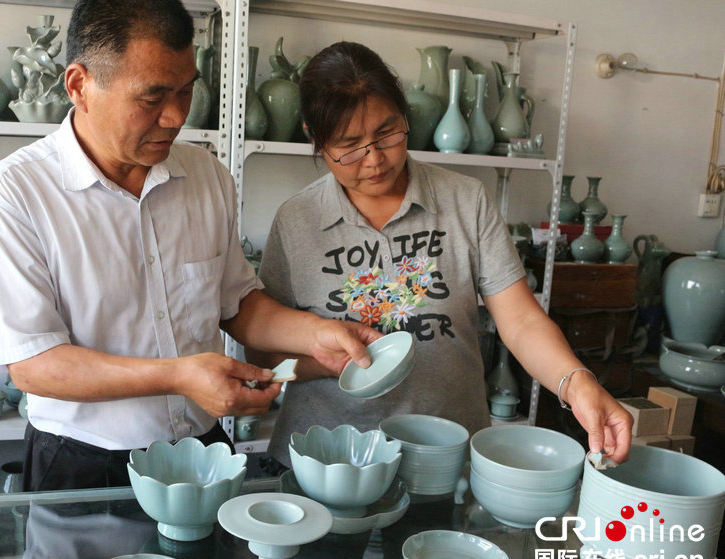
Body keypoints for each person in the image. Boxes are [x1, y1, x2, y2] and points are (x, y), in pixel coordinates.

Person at [0, 0, 381, 492]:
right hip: (82, 459)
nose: (174, 117)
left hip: (203, 449)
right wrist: (179, 376)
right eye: (151, 98)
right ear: (79, 85)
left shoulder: (206, 175)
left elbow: (237, 304)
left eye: (187, 92)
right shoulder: (18, 191)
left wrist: (317, 334)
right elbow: (34, 365)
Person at [248, 41, 633, 467]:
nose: (374, 159)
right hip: (326, 457)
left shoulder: (465, 201)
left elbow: (521, 321)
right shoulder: (297, 219)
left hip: (445, 453)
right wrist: (323, 363)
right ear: (314, 139)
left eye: (387, 133)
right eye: (349, 144)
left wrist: (577, 382)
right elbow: (264, 355)